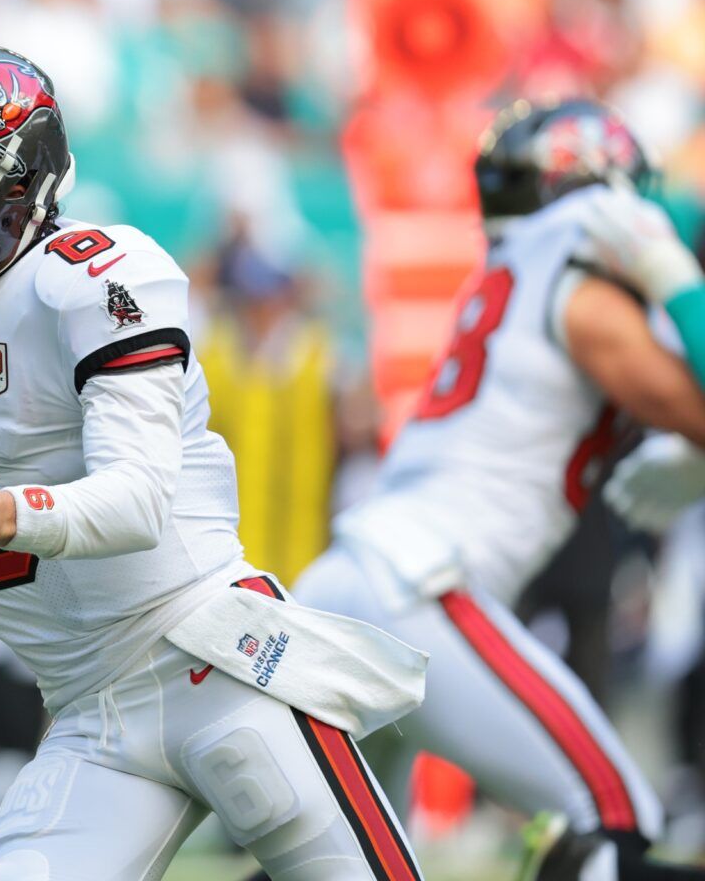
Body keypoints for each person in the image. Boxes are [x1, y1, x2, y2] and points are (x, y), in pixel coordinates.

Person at [0, 43, 428, 881]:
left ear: (10, 194)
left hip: (212, 663)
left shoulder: (95, 279)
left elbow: (136, 499)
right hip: (87, 714)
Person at [287, 98, 705, 881]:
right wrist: (677, 280)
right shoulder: (585, 290)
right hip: (422, 590)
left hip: (346, 574)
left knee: (331, 864)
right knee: (611, 827)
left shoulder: (512, 275)